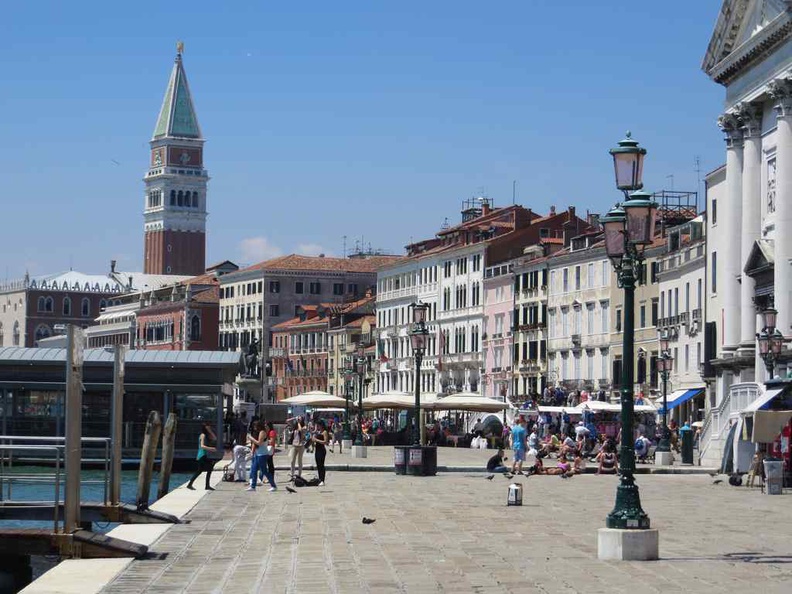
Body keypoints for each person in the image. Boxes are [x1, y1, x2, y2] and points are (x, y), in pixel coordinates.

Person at [187, 423, 217, 491]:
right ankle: (206, 485)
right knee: (207, 468)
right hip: (202, 455)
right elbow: (202, 446)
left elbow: (215, 438)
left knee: (200, 471)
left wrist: (210, 431)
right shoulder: (203, 435)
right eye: (208, 426)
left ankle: (191, 484)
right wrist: (211, 449)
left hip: (204, 455)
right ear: (205, 427)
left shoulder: (206, 435)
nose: (209, 427)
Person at [247, 421, 277, 492]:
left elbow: (259, 443)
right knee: (254, 470)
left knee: (264, 471)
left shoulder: (262, 432)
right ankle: (253, 486)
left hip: (262, 454)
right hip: (258, 454)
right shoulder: (258, 432)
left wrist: (251, 438)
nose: (254, 428)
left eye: (255, 426)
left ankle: (273, 485)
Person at [313, 419, 329, 486]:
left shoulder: (324, 432)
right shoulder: (319, 432)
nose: (317, 426)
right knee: (318, 465)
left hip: (322, 450)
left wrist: (316, 440)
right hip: (317, 449)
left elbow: (325, 442)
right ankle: (320, 479)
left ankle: (322, 479)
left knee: (321, 465)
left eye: (318, 425)